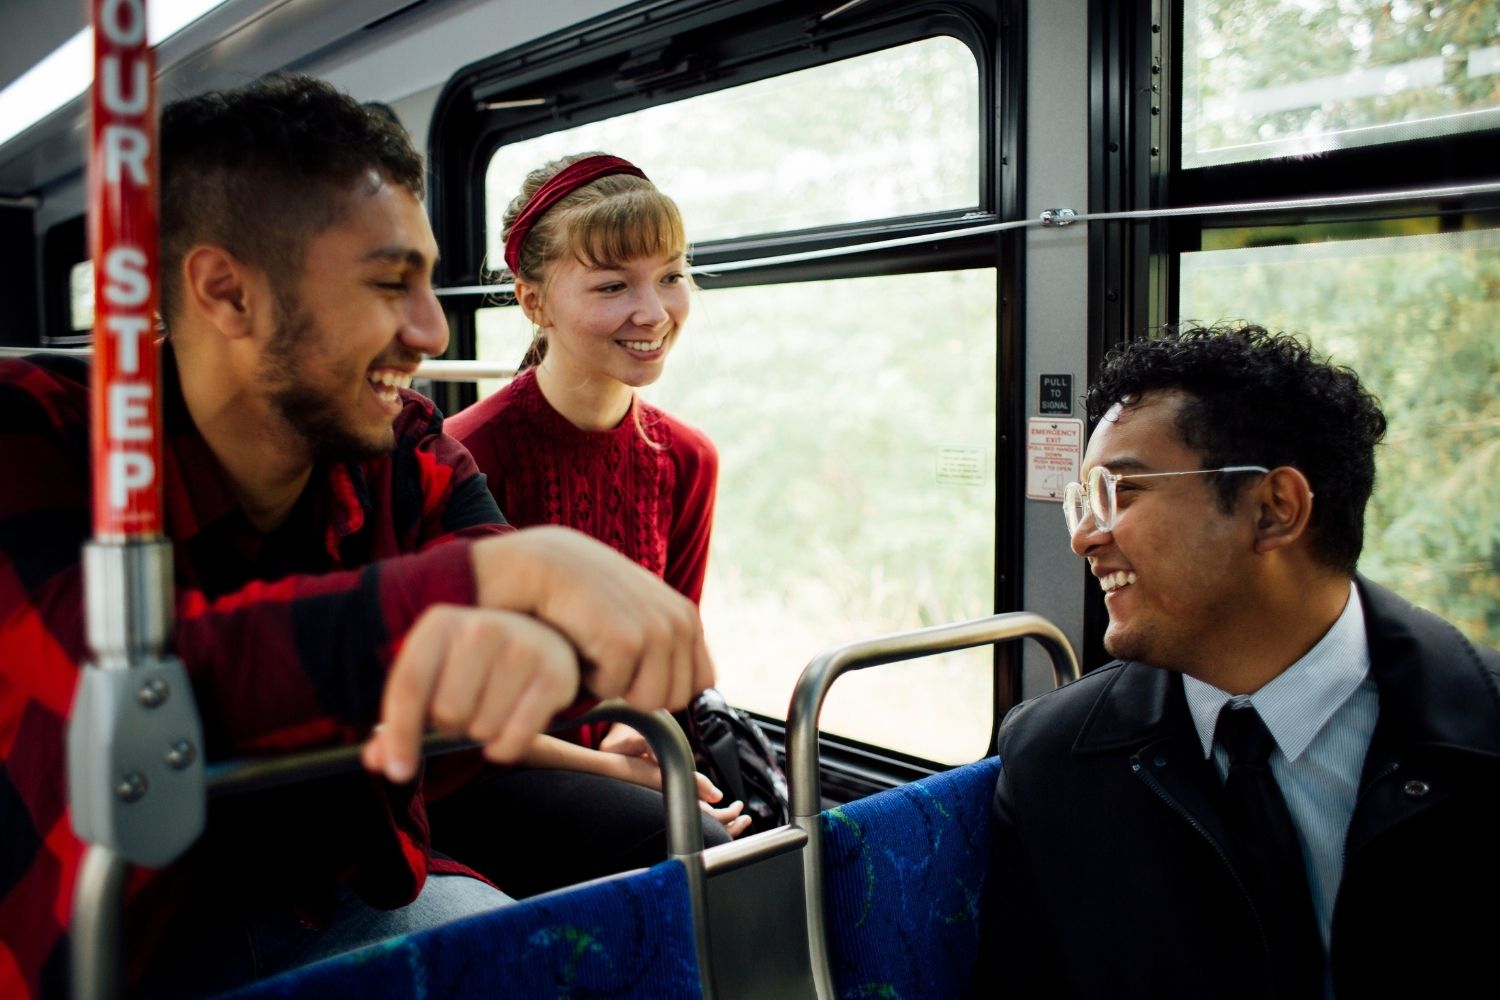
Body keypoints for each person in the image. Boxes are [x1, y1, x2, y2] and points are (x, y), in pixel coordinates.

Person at [0, 75, 712, 999]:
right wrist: (498, 581)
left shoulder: (403, 445)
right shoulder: (37, 435)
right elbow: (125, 694)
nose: (431, 328)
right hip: (109, 943)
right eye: (388, 284)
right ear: (227, 293)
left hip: (337, 895)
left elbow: (512, 653)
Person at [973, 325, 1500, 999]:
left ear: (1274, 510)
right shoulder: (1052, 760)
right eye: (1085, 500)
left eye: (1122, 490)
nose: (1083, 537)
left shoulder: (1481, 733)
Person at [433, 153, 747, 897]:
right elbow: (457, 726)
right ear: (533, 302)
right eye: (612, 286)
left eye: (671, 275)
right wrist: (626, 769)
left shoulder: (686, 460)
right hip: (482, 771)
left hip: (616, 755)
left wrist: (637, 728)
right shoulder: (468, 458)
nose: (654, 311)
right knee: (695, 842)